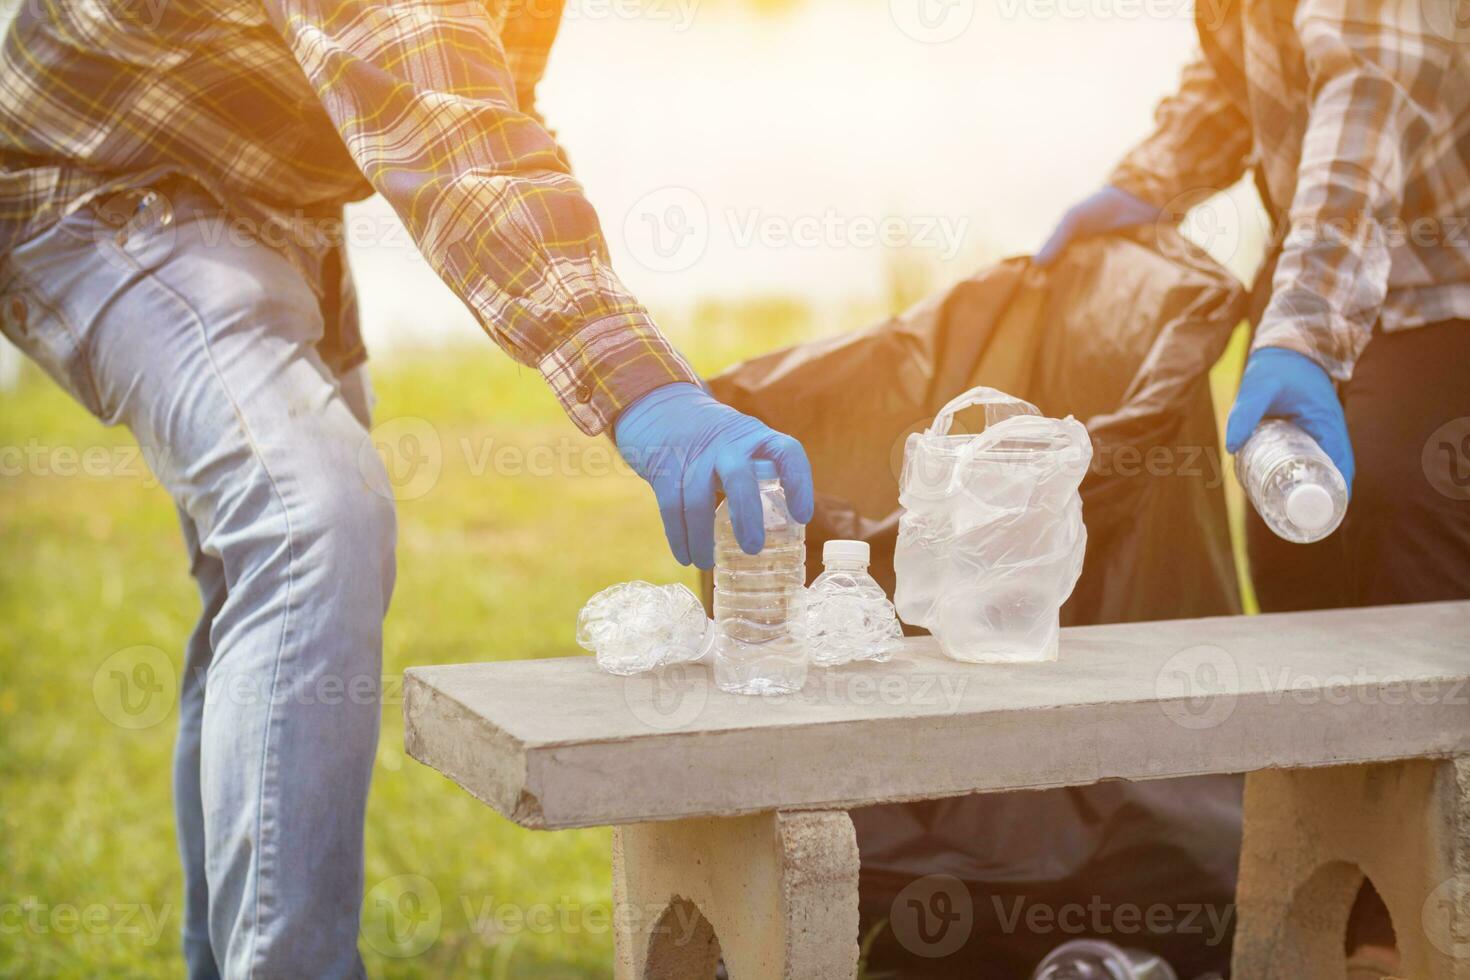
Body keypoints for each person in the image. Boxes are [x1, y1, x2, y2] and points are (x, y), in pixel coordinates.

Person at [0, 1, 812, 975]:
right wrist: (642, 388)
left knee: (265, 586)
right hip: (101, 186)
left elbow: (483, 104)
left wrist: (635, 360)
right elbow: (450, 139)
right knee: (312, 523)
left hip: (257, 200)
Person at [1036, 0, 1469, 972]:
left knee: (1419, 634)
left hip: (1449, 298)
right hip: (1327, 282)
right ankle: (1327, 933)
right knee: (1300, 602)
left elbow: (1368, 96)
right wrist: (1154, 178)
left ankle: (1410, 944)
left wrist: (1301, 335)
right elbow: (1254, 68)